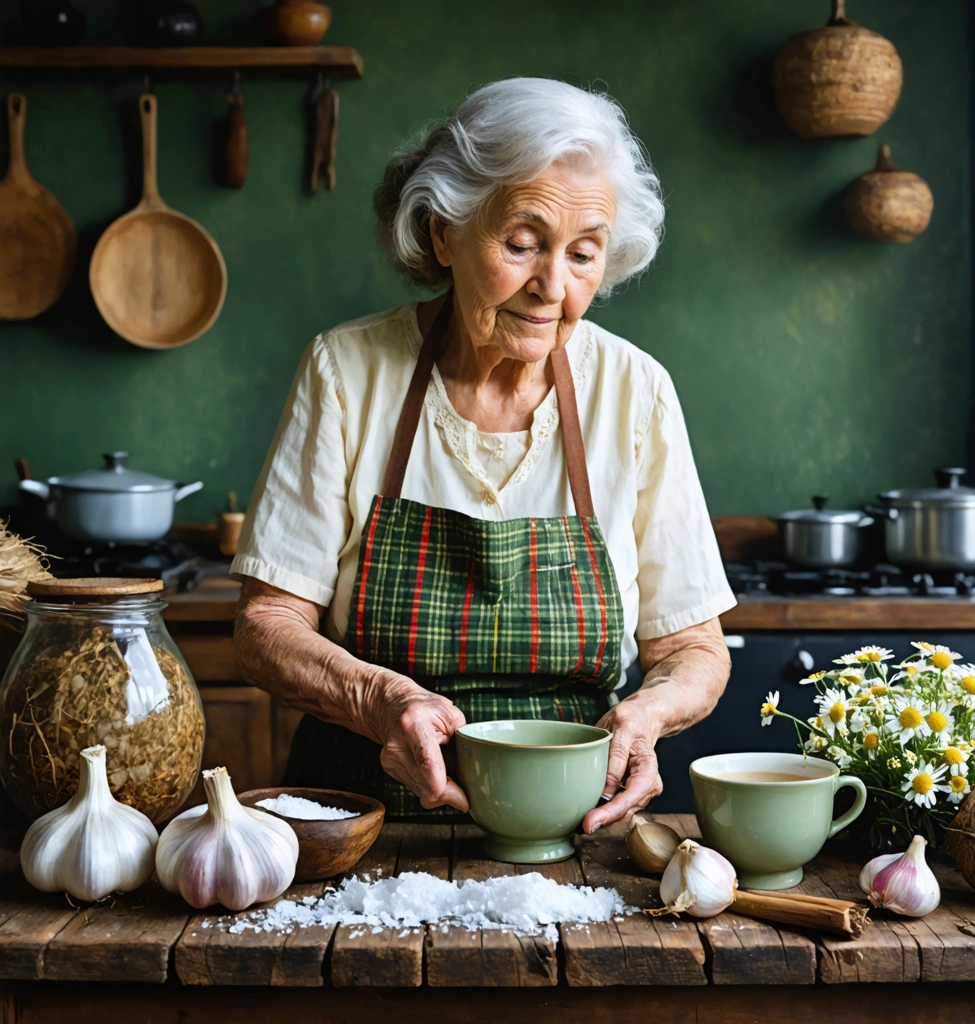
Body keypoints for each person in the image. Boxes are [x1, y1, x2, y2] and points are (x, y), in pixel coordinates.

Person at [231, 77, 735, 832]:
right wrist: (381, 700)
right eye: (522, 244)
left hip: (573, 830)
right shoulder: (348, 372)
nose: (552, 288)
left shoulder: (635, 391)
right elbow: (266, 623)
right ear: (444, 233)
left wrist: (648, 715)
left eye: (584, 254)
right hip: (368, 824)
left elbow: (695, 646)